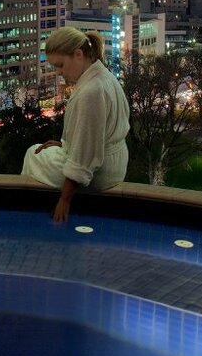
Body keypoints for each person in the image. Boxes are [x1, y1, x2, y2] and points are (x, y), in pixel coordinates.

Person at [22, 27, 130, 222]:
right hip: (115, 162)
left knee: (32, 154)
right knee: (41, 150)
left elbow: (85, 155)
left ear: (78, 54)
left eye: (61, 65)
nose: (59, 72)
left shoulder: (91, 92)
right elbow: (95, 135)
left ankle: (28, 214)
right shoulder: (103, 77)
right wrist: (66, 144)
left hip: (101, 173)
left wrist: (64, 200)